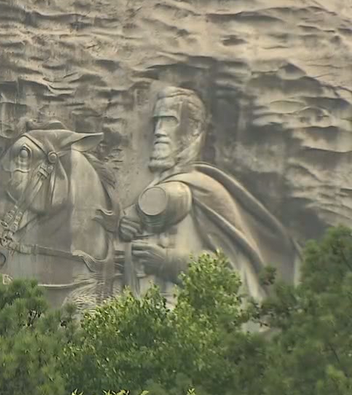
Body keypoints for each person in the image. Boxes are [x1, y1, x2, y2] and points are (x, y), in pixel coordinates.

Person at [117, 86, 300, 301]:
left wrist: (168, 262)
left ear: (194, 129)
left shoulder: (206, 191)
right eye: (157, 121)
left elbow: (232, 274)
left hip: (192, 315)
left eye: (169, 120)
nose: (158, 131)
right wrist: (124, 229)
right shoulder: (156, 191)